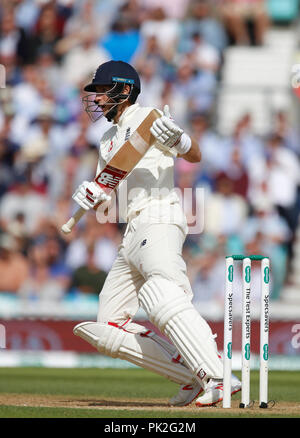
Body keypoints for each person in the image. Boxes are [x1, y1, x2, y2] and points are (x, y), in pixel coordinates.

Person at [70, 60, 241, 406]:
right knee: (109, 325)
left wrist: (180, 139)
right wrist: (92, 193)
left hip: (160, 217)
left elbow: (194, 155)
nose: (97, 100)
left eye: (102, 92)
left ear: (124, 90)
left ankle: (219, 376)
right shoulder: (106, 139)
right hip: (131, 230)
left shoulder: (149, 119)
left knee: (164, 294)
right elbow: (109, 187)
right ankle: (191, 377)